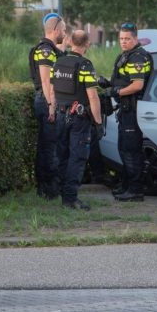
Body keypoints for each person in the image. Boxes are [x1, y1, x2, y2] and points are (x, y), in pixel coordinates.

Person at [52, 29, 102, 210]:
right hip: (78, 119)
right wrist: (98, 122)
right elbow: (93, 97)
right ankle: (70, 199)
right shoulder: (85, 65)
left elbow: (52, 90)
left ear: (71, 41)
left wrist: (52, 110)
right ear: (87, 43)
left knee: (62, 156)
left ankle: (62, 193)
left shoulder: (58, 62)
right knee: (77, 157)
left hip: (59, 115)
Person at [108, 22, 153, 202]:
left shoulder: (137, 58)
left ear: (135, 38)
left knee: (131, 150)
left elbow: (137, 85)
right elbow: (122, 80)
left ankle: (135, 190)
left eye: (127, 39)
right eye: (121, 38)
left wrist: (117, 92)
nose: (123, 42)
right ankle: (126, 185)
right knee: (124, 148)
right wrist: (108, 84)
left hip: (133, 109)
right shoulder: (126, 56)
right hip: (126, 109)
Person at [29, 12, 66, 200]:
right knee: (48, 147)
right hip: (46, 101)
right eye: (64, 31)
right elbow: (45, 80)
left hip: (48, 100)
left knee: (49, 145)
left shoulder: (51, 49)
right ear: (55, 30)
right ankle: (47, 189)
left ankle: (48, 188)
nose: (65, 34)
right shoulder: (45, 50)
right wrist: (51, 105)